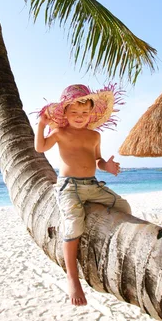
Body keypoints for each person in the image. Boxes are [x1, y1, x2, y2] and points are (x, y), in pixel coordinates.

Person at [35, 84, 131, 306]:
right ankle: (72, 277)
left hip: (92, 185)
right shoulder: (59, 133)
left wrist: (107, 165)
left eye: (84, 113)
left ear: (91, 113)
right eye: (74, 113)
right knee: (74, 224)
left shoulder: (94, 135)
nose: (80, 117)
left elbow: (97, 159)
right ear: (65, 113)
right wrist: (41, 124)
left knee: (124, 207)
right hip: (69, 186)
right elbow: (40, 148)